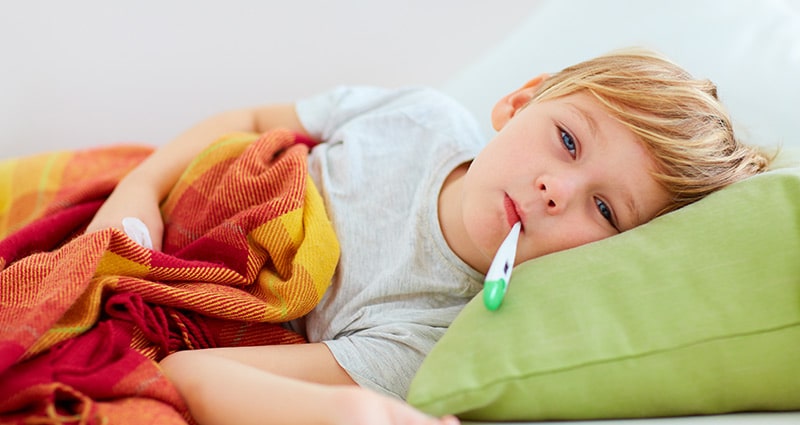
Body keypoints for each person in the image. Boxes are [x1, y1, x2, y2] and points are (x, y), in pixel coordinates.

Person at [85, 48, 770, 425]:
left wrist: (349, 414)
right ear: (520, 101)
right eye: (567, 140)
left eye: (605, 210)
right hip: (156, 199)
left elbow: (182, 372)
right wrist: (135, 191)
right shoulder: (420, 115)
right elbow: (250, 118)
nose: (557, 190)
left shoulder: (433, 333)